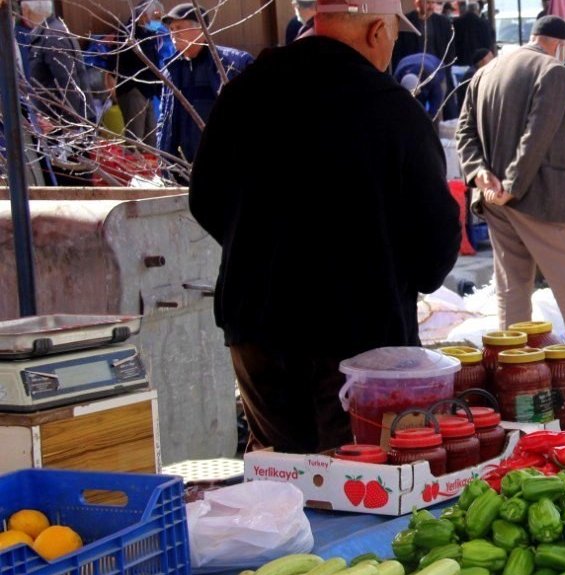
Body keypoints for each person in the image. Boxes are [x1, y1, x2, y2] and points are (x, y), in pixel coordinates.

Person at [188, 0, 460, 453]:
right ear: (376, 31)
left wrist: (263, 252)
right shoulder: (393, 112)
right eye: (394, 35)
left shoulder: (244, 93)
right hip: (358, 341)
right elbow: (434, 251)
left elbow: (204, 200)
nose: (392, 47)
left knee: (285, 482)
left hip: (257, 325)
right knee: (358, 485)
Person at [456, 16, 565, 328]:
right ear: (559, 45)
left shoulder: (485, 72)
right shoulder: (553, 71)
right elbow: (538, 134)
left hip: (492, 197)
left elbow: (463, 132)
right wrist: (512, 184)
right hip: (537, 197)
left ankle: (516, 368)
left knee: (513, 290)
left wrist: (478, 173)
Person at [158, 3, 253, 166]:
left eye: (179, 28)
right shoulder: (171, 71)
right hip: (183, 168)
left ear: (201, 29)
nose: (173, 35)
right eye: (171, 29)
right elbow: (164, 120)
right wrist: (165, 162)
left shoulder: (233, 64)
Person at [19, 0, 92, 124]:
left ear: (27, 10)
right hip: (55, 120)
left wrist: (67, 124)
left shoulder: (52, 37)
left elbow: (68, 84)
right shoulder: (49, 32)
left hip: (63, 124)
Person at [115, 0, 165, 147]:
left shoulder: (149, 32)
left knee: (153, 139)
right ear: (143, 15)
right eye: (156, 17)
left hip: (148, 91)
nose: (158, 21)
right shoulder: (130, 32)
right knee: (135, 140)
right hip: (134, 89)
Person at [394, 52, 447, 116]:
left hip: (435, 65)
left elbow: (436, 102)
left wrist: (430, 119)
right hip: (409, 62)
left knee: (437, 112)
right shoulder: (397, 78)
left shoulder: (431, 76)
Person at [452, 2, 494, 68]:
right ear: (477, 10)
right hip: (480, 62)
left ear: (467, 10)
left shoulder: (456, 23)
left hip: (460, 62)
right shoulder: (484, 24)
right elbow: (489, 42)